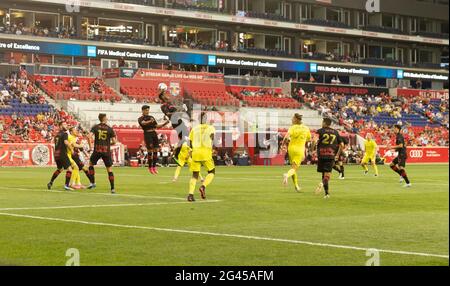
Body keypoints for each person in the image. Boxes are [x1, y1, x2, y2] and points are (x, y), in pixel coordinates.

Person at [187, 112, 216, 202]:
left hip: (195, 153)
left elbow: (190, 142)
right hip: (206, 152)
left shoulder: (194, 128)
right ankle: (203, 186)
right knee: (211, 171)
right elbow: (212, 137)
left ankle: (190, 195)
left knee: (195, 175)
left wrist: (191, 150)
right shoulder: (210, 127)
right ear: (206, 119)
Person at [159, 88, 190, 166]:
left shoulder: (170, 103)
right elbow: (168, 114)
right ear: (162, 97)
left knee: (185, 138)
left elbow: (177, 112)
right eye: (165, 95)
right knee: (185, 138)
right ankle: (176, 155)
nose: (167, 96)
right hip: (175, 122)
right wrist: (180, 109)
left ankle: (175, 155)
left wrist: (182, 109)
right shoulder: (163, 106)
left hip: (179, 121)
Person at [281, 113, 311, 192]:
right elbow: (309, 139)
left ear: (297, 120)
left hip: (291, 149)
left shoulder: (292, 127)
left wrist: (282, 145)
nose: (292, 120)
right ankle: (286, 175)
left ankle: (296, 186)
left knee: (293, 168)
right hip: (299, 150)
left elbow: (286, 137)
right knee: (294, 168)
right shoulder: (306, 128)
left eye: (293, 118)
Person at [87, 113, 117, 193]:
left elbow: (88, 136)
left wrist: (90, 146)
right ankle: (112, 188)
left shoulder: (95, 127)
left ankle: (92, 182)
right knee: (109, 169)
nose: (107, 118)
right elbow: (114, 141)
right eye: (106, 117)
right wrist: (108, 144)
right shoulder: (109, 129)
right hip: (106, 151)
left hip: (97, 150)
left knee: (90, 164)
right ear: (104, 118)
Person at [315, 118, 344, 199]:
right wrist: (337, 154)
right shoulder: (335, 132)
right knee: (327, 174)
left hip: (321, 155)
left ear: (324, 123)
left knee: (323, 173)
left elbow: (314, 140)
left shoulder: (320, 131)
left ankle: (326, 193)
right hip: (331, 155)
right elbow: (342, 145)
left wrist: (312, 149)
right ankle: (323, 186)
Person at [138, 105, 169, 174]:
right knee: (150, 151)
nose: (147, 111)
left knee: (156, 150)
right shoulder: (140, 118)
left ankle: (154, 167)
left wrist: (165, 123)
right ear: (142, 110)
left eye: (148, 110)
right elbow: (143, 123)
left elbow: (157, 126)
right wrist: (150, 121)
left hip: (154, 133)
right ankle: (150, 167)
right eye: (146, 110)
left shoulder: (151, 117)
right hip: (147, 134)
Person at [47, 121, 74, 191]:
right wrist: (71, 149)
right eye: (64, 124)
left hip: (56, 154)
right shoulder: (65, 134)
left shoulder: (57, 135)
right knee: (70, 169)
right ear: (60, 126)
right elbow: (65, 142)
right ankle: (66, 185)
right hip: (62, 153)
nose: (66, 125)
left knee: (60, 169)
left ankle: (50, 182)